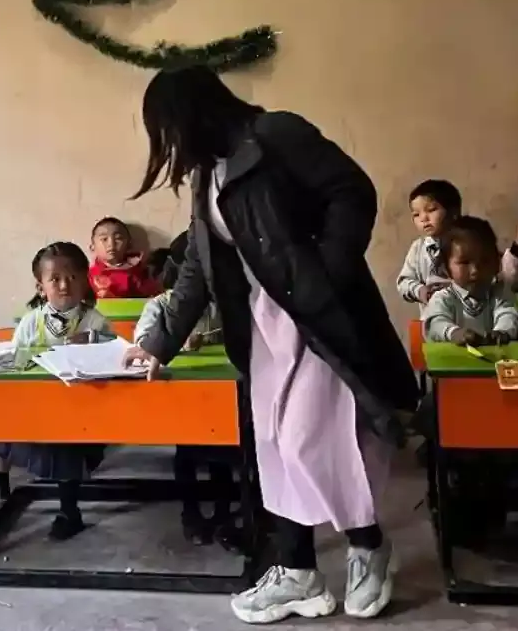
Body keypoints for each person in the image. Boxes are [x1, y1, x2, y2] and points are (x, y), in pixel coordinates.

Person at [122, 66, 417, 624]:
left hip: (316, 318)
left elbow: (352, 191)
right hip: (260, 325)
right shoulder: (209, 173)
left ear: (194, 114)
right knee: (276, 448)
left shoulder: (276, 135)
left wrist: (326, 273)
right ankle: (298, 571)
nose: (168, 144)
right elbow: (199, 264)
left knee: (311, 440)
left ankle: (369, 546)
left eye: (168, 128)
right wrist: (159, 341)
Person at [0, 242, 114, 542]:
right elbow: (14, 363)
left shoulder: (95, 321)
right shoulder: (32, 322)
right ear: (41, 287)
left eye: (72, 277)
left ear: (85, 281)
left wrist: (95, 341)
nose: (64, 285)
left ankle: (69, 513)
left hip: (80, 412)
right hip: (35, 408)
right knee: (6, 440)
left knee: (68, 449)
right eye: (55, 279)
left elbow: (113, 358)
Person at [134, 234, 233, 546]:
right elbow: (142, 340)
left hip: (215, 394)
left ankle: (224, 514)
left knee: (222, 456)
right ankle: (191, 513)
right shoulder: (159, 305)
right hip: (180, 397)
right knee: (187, 455)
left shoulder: (217, 306)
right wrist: (170, 342)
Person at [421, 217, 518, 345]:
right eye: (465, 262)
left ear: (497, 264)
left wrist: (502, 332)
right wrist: (454, 333)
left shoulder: (501, 295)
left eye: (485, 261)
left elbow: (509, 315)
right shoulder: (443, 299)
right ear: (446, 269)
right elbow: (435, 324)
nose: (475, 270)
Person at [397, 179, 461, 306]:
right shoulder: (417, 248)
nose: (423, 218)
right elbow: (404, 282)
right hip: (432, 315)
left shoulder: (469, 243)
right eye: (416, 214)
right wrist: (419, 290)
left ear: (454, 212)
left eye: (431, 210)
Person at [88, 216, 161, 299]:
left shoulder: (137, 272)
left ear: (129, 245)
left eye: (118, 238)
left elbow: (150, 299)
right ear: (92, 247)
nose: (111, 244)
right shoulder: (90, 275)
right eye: (104, 239)